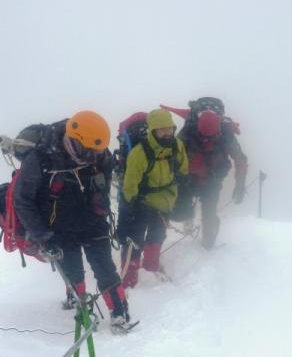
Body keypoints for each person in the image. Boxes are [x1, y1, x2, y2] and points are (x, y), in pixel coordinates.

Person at [12, 110, 132, 332]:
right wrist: (44, 237)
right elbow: (23, 201)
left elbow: (102, 185)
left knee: (105, 268)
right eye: (89, 152)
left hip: (93, 222)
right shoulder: (40, 159)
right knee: (72, 270)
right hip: (58, 229)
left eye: (97, 152)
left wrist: (101, 207)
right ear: (75, 143)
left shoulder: (99, 153)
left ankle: (120, 312)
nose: (94, 156)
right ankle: (82, 310)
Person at [119, 108, 188, 287]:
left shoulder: (177, 145)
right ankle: (129, 277)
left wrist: (182, 194)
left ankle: (152, 266)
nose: (167, 133)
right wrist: (128, 209)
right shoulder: (139, 153)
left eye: (170, 129)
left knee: (157, 235)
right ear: (153, 130)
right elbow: (130, 185)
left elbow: (183, 170)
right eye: (162, 129)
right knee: (135, 239)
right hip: (142, 202)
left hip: (166, 200)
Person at [171, 97, 248, 249]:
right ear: (197, 125)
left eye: (210, 136)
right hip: (190, 178)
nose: (206, 139)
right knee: (184, 208)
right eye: (203, 135)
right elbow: (173, 155)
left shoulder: (226, 134)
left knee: (209, 213)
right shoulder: (188, 132)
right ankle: (189, 220)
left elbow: (240, 160)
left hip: (211, 180)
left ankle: (208, 243)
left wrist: (240, 184)